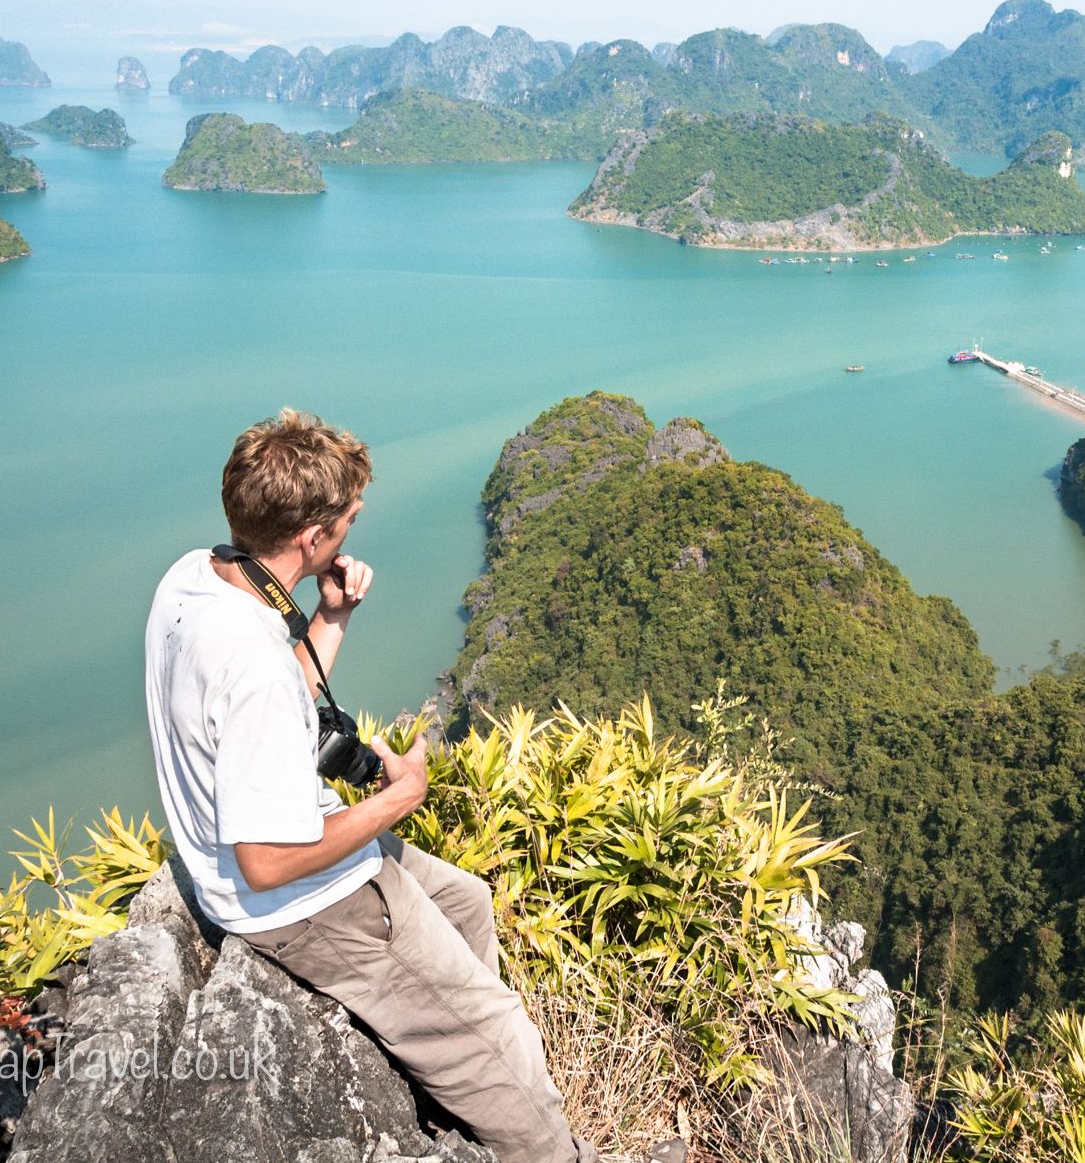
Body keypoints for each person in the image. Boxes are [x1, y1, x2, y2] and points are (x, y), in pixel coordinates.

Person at [143, 409, 684, 1163]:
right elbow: (266, 857)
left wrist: (331, 617)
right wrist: (399, 798)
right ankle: (541, 1141)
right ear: (312, 537)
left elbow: (259, 713)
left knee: (468, 902)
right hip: (300, 902)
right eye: (349, 517)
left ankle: (456, 1093)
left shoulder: (195, 577)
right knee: (501, 1040)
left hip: (268, 865)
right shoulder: (254, 661)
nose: (355, 527)